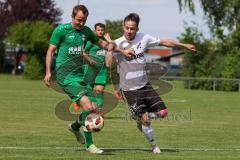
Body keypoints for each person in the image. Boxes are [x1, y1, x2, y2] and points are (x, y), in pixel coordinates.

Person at [43, 5, 131, 154]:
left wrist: (122, 50)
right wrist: (47, 72)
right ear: (72, 16)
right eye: (78, 20)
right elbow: (50, 50)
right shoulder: (61, 30)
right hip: (65, 76)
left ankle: (75, 127)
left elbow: (103, 44)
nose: (81, 23)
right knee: (89, 108)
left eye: (84, 20)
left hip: (79, 76)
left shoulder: (86, 32)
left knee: (95, 108)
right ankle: (90, 145)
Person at [109, 13, 196, 154]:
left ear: (137, 28)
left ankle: (140, 118)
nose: (129, 31)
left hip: (145, 85)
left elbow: (165, 42)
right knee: (146, 120)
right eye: (127, 28)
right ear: (123, 27)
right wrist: (110, 49)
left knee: (163, 113)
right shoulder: (117, 43)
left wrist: (183, 45)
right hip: (129, 90)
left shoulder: (144, 38)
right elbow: (108, 64)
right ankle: (155, 146)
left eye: (132, 28)